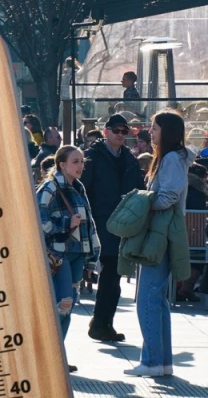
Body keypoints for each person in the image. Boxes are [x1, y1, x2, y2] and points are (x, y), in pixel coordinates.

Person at [124, 111, 194, 377]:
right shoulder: (170, 158)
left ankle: (152, 362)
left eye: (154, 128)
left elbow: (169, 196)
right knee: (157, 300)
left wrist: (143, 202)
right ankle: (161, 363)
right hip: (160, 233)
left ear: (168, 131)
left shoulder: (172, 159)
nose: (150, 132)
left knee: (147, 300)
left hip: (160, 235)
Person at [36, 145, 100, 373]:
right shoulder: (49, 188)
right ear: (61, 164)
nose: (80, 166)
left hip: (76, 256)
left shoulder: (78, 187)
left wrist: (92, 258)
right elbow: (39, 223)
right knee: (63, 303)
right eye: (75, 161)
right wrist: (66, 223)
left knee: (68, 305)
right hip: (58, 255)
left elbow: (88, 224)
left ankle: (57, 357)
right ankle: (50, 358)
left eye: (82, 161)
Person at [82, 114, 145, 342]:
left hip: (123, 225)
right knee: (110, 272)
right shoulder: (92, 157)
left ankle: (103, 323)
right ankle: (100, 323)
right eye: (116, 130)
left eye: (124, 131)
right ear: (106, 131)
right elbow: (83, 190)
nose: (120, 135)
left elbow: (140, 189)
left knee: (114, 275)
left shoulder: (129, 159)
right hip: (101, 222)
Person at [177, 163, 207, 302]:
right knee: (201, 252)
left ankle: (175, 287)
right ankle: (187, 288)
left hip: (174, 237)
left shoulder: (179, 188)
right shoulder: (200, 193)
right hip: (194, 241)